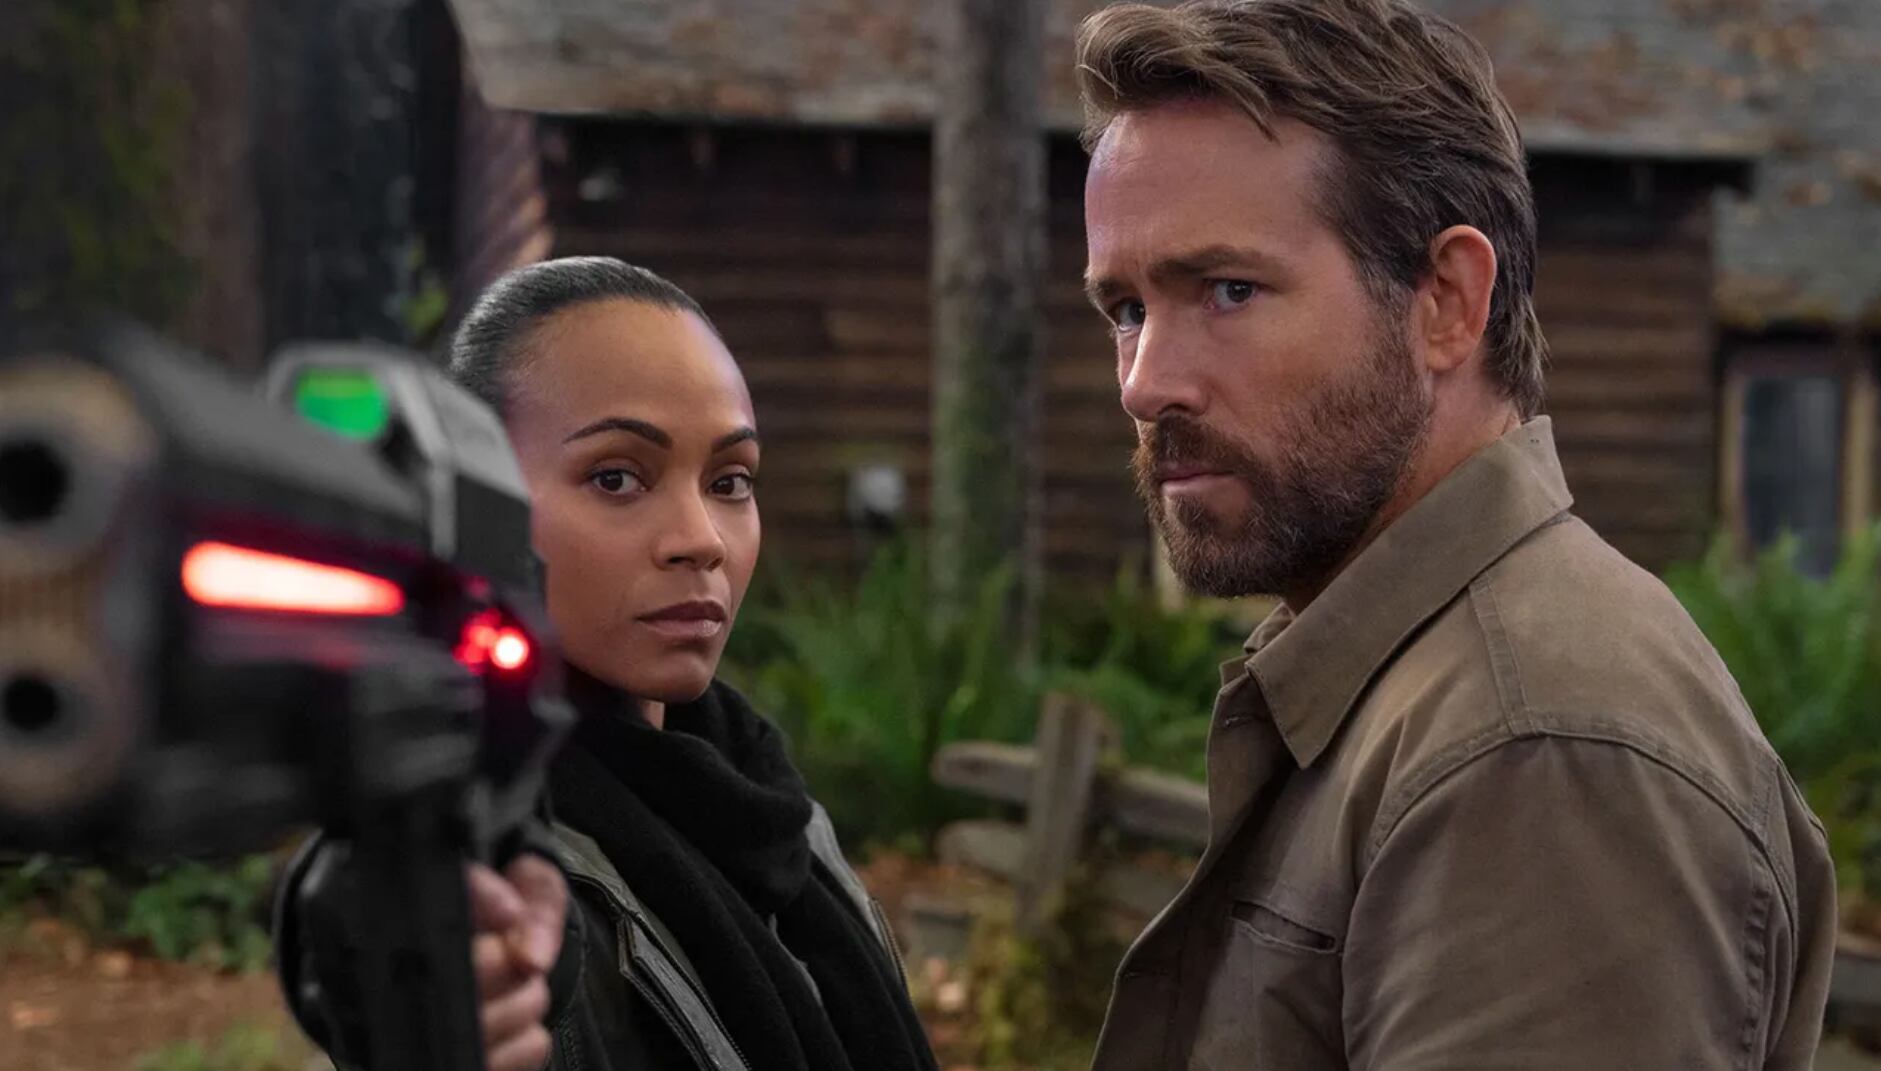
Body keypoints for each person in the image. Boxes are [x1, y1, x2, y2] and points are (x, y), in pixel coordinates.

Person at [1074, 1, 1836, 1067]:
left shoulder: (1540, 751)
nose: (1146, 382)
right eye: (1125, 310)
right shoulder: (1409, 682)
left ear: (1446, 302)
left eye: (1228, 290)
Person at [276, 257, 938, 1071]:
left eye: (730, 480)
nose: (701, 539)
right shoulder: (491, 852)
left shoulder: (770, 806)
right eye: (617, 477)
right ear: (473, 503)